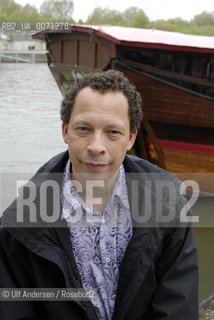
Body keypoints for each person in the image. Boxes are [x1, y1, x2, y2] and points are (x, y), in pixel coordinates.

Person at [0, 70, 198, 320]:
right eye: (83, 129)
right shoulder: (20, 221)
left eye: (113, 132)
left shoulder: (169, 204)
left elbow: (177, 304)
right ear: (65, 131)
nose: (96, 146)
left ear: (131, 138)